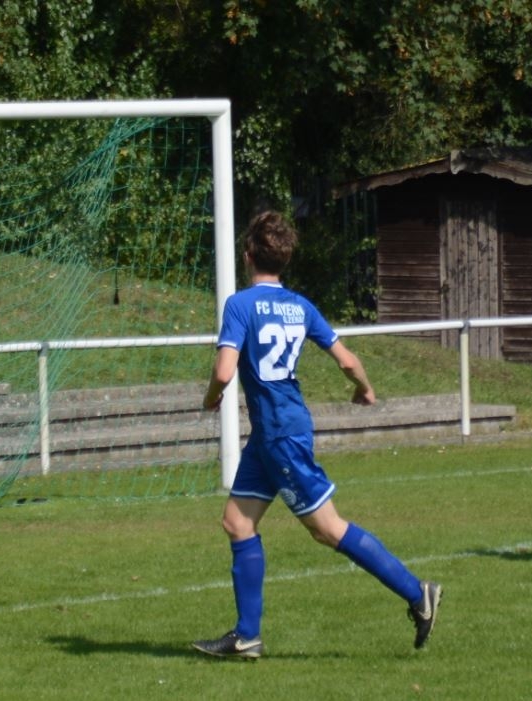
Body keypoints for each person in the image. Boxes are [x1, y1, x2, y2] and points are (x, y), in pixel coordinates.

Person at [192, 210, 441, 659]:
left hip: (280, 436)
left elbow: (224, 371)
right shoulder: (300, 306)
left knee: (327, 529)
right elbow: (346, 359)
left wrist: (211, 396)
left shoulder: (240, 305)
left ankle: (417, 592)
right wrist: (365, 389)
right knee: (237, 522)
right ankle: (247, 636)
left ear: (247, 256)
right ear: (284, 259)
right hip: (273, 434)